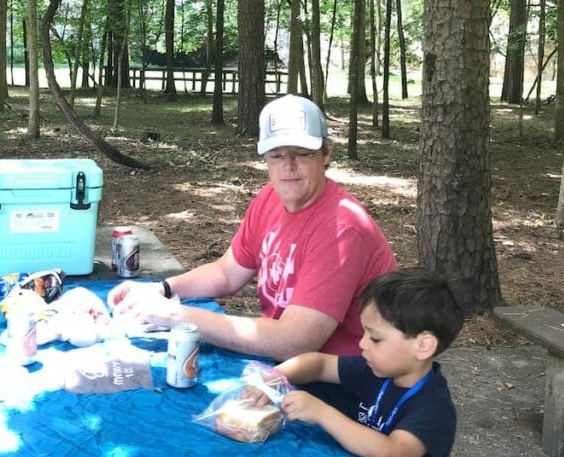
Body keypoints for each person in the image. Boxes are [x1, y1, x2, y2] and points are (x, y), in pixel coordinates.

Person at [108, 93, 397, 360]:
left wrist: (175, 316)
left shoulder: (341, 229)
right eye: (276, 154)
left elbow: (296, 341)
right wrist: (162, 289)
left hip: (345, 386)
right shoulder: (270, 197)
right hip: (288, 366)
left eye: (302, 153)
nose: (288, 165)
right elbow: (226, 273)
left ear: (326, 155)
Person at [271, 267, 464, 457]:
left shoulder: (433, 408)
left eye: (375, 338)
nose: (362, 344)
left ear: (423, 346)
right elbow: (319, 363)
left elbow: (390, 455)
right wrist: (276, 376)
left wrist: (320, 412)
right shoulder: (378, 371)